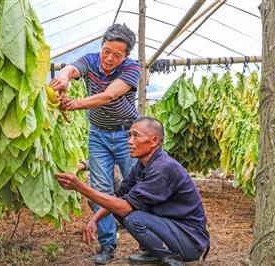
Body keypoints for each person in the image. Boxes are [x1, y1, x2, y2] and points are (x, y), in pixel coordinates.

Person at [54, 117, 210, 266]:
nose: (129, 141)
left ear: (154, 141)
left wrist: (79, 186)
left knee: (132, 217)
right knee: (115, 207)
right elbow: (117, 196)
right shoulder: (142, 165)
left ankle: (167, 256)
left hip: (190, 241)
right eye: (130, 135)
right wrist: (94, 219)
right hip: (173, 230)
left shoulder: (162, 168)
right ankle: (156, 252)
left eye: (135, 136)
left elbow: (125, 207)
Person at [49, 23, 141, 263]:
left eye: (117, 55)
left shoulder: (132, 68)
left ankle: (148, 243)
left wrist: (75, 103)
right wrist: (63, 77)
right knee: (99, 190)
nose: (109, 58)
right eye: (106, 51)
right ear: (101, 46)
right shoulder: (91, 60)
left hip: (127, 135)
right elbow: (72, 67)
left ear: (126, 56)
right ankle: (107, 245)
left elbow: (109, 95)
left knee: (138, 188)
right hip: (98, 135)